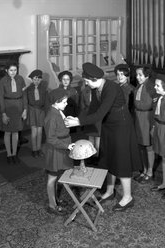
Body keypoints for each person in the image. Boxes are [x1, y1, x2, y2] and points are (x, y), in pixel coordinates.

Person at [65, 62, 141, 211]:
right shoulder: (95, 88)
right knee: (108, 157)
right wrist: (76, 119)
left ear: (93, 79)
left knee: (121, 159)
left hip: (122, 126)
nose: (85, 84)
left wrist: (78, 122)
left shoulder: (111, 88)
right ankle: (110, 191)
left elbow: (100, 113)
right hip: (108, 125)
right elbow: (92, 110)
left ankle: (128, 197)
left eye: (86, 81)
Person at [42, 88, 75, 215]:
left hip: (61, 147)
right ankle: (52, 205)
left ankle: (55, 199)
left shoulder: (58, 111)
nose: (66, 104)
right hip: (55, 150)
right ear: (56, 102)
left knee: (57, 176)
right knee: (52, 178)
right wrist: (66, 146)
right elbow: (50, 138)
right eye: (64, 102)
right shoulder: (51, 116)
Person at [0, 61, 27, 164]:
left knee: (15, 131)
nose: (13, 72)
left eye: (15, 70)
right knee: (8, 131)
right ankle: (9, 154)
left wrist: (25, 109)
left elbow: (24, 95)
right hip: (8, 106)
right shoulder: (2, 81)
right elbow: (0, 98)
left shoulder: (20, 79)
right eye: (11, 70)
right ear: (6, 70)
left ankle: (14, 153)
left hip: (18, 106)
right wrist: (3, 113)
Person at [133, 65, 157, 184]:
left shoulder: (152, 87)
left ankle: (150, 171)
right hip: (138, 118)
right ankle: (144, 169)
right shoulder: (139, 86)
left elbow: (155, 107)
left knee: (148, 146)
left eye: (140, 75)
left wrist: (153, 125)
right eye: (137, 75)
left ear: (147, 75)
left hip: (147, 118)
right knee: (140, 146)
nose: (137, 77)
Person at [26, 69, 48, 158]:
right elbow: (27, 101)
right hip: (32, 110)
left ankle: (38, 149)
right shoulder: (28, 89)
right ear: (32, 79)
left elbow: (46, 102)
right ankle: (34, 149)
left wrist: (45, 111)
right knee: (34, 131)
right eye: (35, 79)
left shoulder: (43, 89)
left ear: (41, 80)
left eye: (38, 79)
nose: (37, 81)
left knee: (40, 131)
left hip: (41, 111)